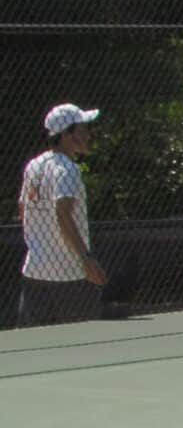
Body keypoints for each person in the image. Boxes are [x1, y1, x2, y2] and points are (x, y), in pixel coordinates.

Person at [18, 103, 107, 326]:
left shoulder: (34, 165)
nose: (88, 135)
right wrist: (86, 259)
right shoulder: (67, 170)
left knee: (36, 341)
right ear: (67, 135)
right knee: (80, 340)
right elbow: (63, 214)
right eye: (83, 130)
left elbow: (22, 207)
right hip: (69, 275)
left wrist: (39, 240)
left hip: (34, 271)